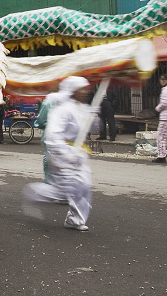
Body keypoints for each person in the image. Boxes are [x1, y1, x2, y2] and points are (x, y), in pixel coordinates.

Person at [23, 76, 95, 232]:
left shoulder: (82, 108)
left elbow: (87, 129)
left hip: (78, 154)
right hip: (63, 154)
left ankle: (75, 220)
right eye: (81, 89)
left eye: (86, 89)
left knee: (83, 187)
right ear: (73, 91)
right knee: (62, 192)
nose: (85, 92)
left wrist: (94, 118)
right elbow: (53, 134)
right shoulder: (62, 109)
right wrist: (64, 153)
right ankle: (34, 193)